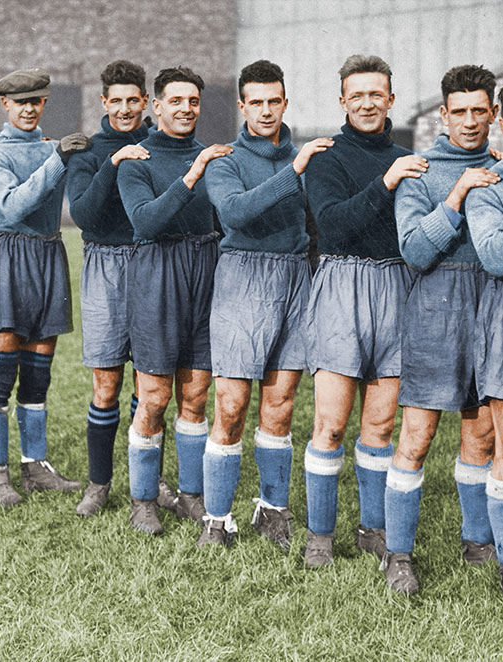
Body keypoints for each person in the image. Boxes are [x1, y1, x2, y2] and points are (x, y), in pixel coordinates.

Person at [200, 60, 333, 549]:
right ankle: (216, 519)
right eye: (255, 102)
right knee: (232, 405)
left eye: (273, 100)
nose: (265, 110)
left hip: (295, 279)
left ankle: (271, 509)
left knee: (279, 406)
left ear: (285, 102)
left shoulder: (307, 156)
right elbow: (233, 210)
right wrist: (292, 173)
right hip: (242, 278)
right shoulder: (225, 159)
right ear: (241, 106)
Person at [383, 65, 503, 595]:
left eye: (481, 110)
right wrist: (455, 196)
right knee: (418, 434)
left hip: (494, 310)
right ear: (443, 114)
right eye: (461, 111)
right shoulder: (420, 169)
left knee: (482, 433)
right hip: (435, 309)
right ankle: (398, 553)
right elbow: (413, 250)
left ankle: (477, 540)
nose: (471, 120)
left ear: (494, 114)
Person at [302, 55, 424, 567]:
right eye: (358, 95)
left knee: (379, 426)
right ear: (343, 101)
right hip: (342, 282)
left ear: (391, 99)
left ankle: (373, 530)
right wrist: (386, 183)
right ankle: (320, 537)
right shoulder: (328, 157)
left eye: (377, 94)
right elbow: (332, 226)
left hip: (395, 285)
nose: (368, 102)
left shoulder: (409, 157)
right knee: (330, 424)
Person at [117, 67, 231, 535]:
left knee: (196, 394)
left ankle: (189, 494)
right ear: (156, 105)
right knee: (155, 395)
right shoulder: (135, 159)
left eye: (193, 101)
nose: (186, 109)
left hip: (205, 270)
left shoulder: (215, 156)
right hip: (157, 274)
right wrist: (193, 173)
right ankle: (143, 498)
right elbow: (146, 223)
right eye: (176, 101)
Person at [67, 60, 179, 517]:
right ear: (104, 102)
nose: (127, 109)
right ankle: (99, 483)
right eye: (118, 101)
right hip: (106, 267)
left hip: (153, 261)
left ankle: (149, 482)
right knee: (106, 383)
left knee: (151, 384)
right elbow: (85, 216)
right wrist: (112, 162)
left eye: (134, 100)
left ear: (146, 102)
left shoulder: (159, 144)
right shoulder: (87, 151)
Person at [0, 68, 90, 506]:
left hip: (49, 256)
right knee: (1, 373)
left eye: (36, 101)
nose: (27, 109)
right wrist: (59, 157)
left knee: (38, 376)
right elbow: (13, 205)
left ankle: (36, 466)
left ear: (44, 104)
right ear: (5, 105)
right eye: (19, 102)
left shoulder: (51, 148)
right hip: (9, 257)